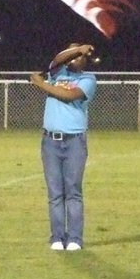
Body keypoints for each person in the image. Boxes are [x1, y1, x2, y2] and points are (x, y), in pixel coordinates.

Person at [29, 43, 97, 251]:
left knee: (73, 192)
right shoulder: (56, 71)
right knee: (55, 193)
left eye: (79, 55)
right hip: (50, 142)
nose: (75, 58)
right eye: (72, 54)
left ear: (85, 60)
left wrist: (41, 84)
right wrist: (77, 49)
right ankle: (57, 237)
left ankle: (75, 238)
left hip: (74, 142)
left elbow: (69, 96)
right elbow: (59, 58)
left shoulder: (88, 79)